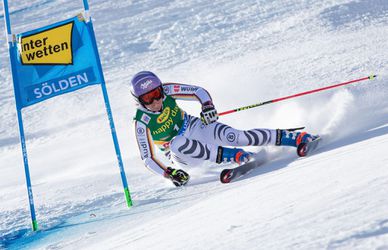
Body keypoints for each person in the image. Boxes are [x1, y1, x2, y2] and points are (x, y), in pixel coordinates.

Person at [131, 71, 316, 187]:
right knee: (177, 142)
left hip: (194, 127)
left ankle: (294, 138)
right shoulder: (141, 122)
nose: (155, 101)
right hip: (183, 156)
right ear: (139, 101)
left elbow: (198, 92)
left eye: (156, 94)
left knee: (234, 136)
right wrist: (169, 174)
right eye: (148, 98)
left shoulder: (169, 90)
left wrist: (207, 107)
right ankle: (234, 156)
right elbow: (147, 158)